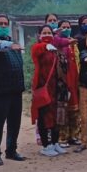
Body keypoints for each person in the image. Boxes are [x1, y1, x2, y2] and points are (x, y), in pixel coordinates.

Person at [0, 13, 26, 166]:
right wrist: (8, 45)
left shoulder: (12, 42)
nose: (3, 26)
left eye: (5, 24)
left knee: (14, 122)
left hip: (16, 89)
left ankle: (11, 150)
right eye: (0, 24)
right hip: (0, 90)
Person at [31, 25, 68, 157]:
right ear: (39, 35)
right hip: (43, 88)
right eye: (44, 33)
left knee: (56, 116)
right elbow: (35, 51)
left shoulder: (54, 50)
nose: (47, 35)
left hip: (56, 88)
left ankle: (55, 142)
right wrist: (44, 46)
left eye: (49, 33)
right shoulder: (38, 48)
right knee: (43, 116)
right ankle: (46, 145)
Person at [56, 19, 81, 147]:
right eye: (63, 27)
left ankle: (74, 136)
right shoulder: (57, 43)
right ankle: (63, 137)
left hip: (75, 79)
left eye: (68, 27)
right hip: (63, 81)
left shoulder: (74, 43)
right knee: (63, 110)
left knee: (75, 110)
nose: (66, 29)